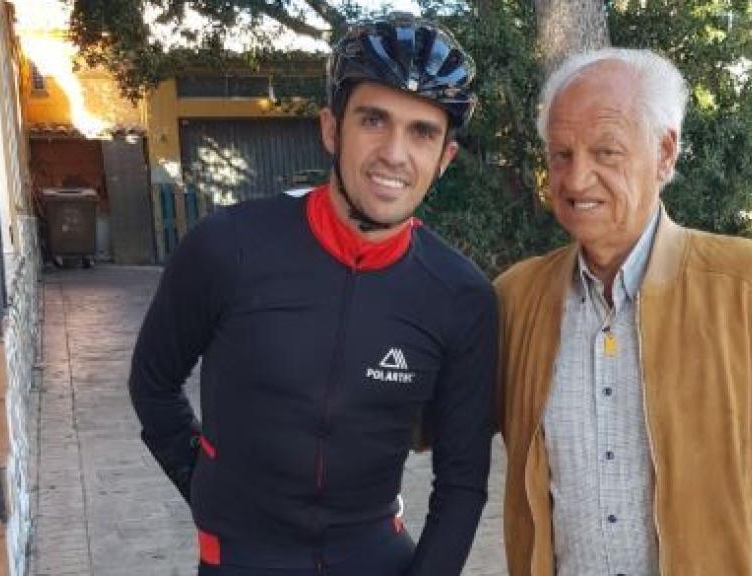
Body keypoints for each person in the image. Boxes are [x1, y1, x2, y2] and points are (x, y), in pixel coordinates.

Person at [129, 13, 496, 576]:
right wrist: (207, 489)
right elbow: (152, 385)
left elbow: (464, 480)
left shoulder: (460, 295)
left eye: (422, 131)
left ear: (445, 157)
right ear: (332, 128)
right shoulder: (228, 247)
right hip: (242, 560)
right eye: (374, 119)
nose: (395, 153)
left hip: (377, 557)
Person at [495, 48, 752, 576]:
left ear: (664, 153)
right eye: (561, 154)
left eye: (605, 152)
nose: (576, 178)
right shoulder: (517, 300)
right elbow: (425, 419)